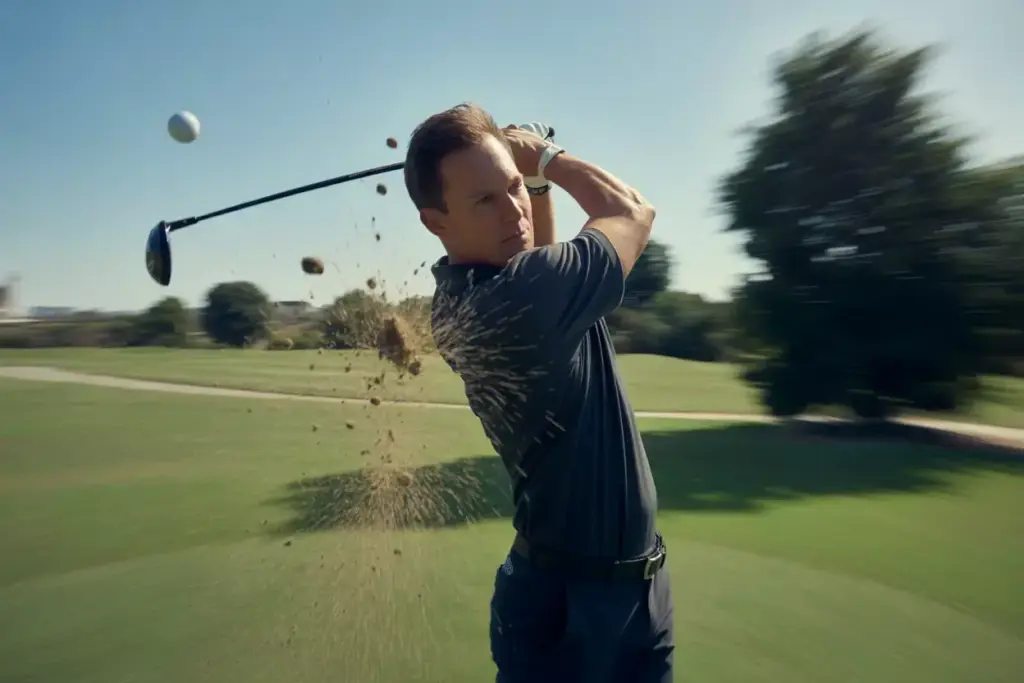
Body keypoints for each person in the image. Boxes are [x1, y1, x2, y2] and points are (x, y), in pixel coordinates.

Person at [403, 103, 672, 683]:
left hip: (624, 592)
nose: (514, 210)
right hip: (571, 609)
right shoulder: (523, 298)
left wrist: (537, 183)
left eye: (512, 189)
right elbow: (632, 211)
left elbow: (534, 254)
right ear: (435, 222)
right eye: (485, 200)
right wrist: (546, 157)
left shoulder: (460, 300)